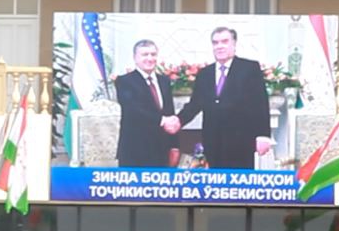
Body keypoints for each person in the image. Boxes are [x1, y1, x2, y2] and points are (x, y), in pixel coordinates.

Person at [175, 27, 272, 170]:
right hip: (212, 142)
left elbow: (260, 104)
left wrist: (263, 135)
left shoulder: (249, 68)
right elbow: (194, 104)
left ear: (234, 44)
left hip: (241, 142)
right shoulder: (205, 73)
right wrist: (178, 121)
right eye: (215, 43)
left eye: (224, 42)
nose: (219, 46)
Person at [115, 39, 179, 167]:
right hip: (134, 151)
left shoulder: (164, 81)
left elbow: (170, 112)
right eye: (145, 54)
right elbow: (133, 110)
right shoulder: (124, 81)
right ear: (135, 58)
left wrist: (174, 146)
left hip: (161, 151)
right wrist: (162, 120)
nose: (150, 58)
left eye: (153, 54)